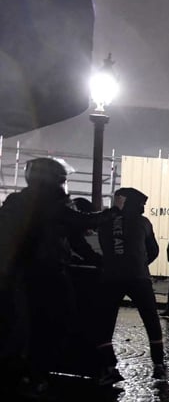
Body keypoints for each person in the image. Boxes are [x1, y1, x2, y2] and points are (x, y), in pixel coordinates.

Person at [0, 157, 107, 380]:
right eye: (61, 181)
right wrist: (114, 214)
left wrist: (96, 259)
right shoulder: (46, 204)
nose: (63, 186)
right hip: (41, 271)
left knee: (27, 322)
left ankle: (29, 370)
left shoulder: (18, 200)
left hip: (18, 270)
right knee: (50, 321)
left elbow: (76, 238)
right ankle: (32, 372)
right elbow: (82, 223)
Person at [96, 187, 166, 382]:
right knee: (151, 320)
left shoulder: (105, 222)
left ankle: (109, 367)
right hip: (138, 276)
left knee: (105, 323)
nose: (144, 208)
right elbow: (153, 250)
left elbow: (101, 246)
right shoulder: (143, 222)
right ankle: (159, 365)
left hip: (111, 277)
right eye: (142, 204)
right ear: (134, 204)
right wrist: (141, 263)